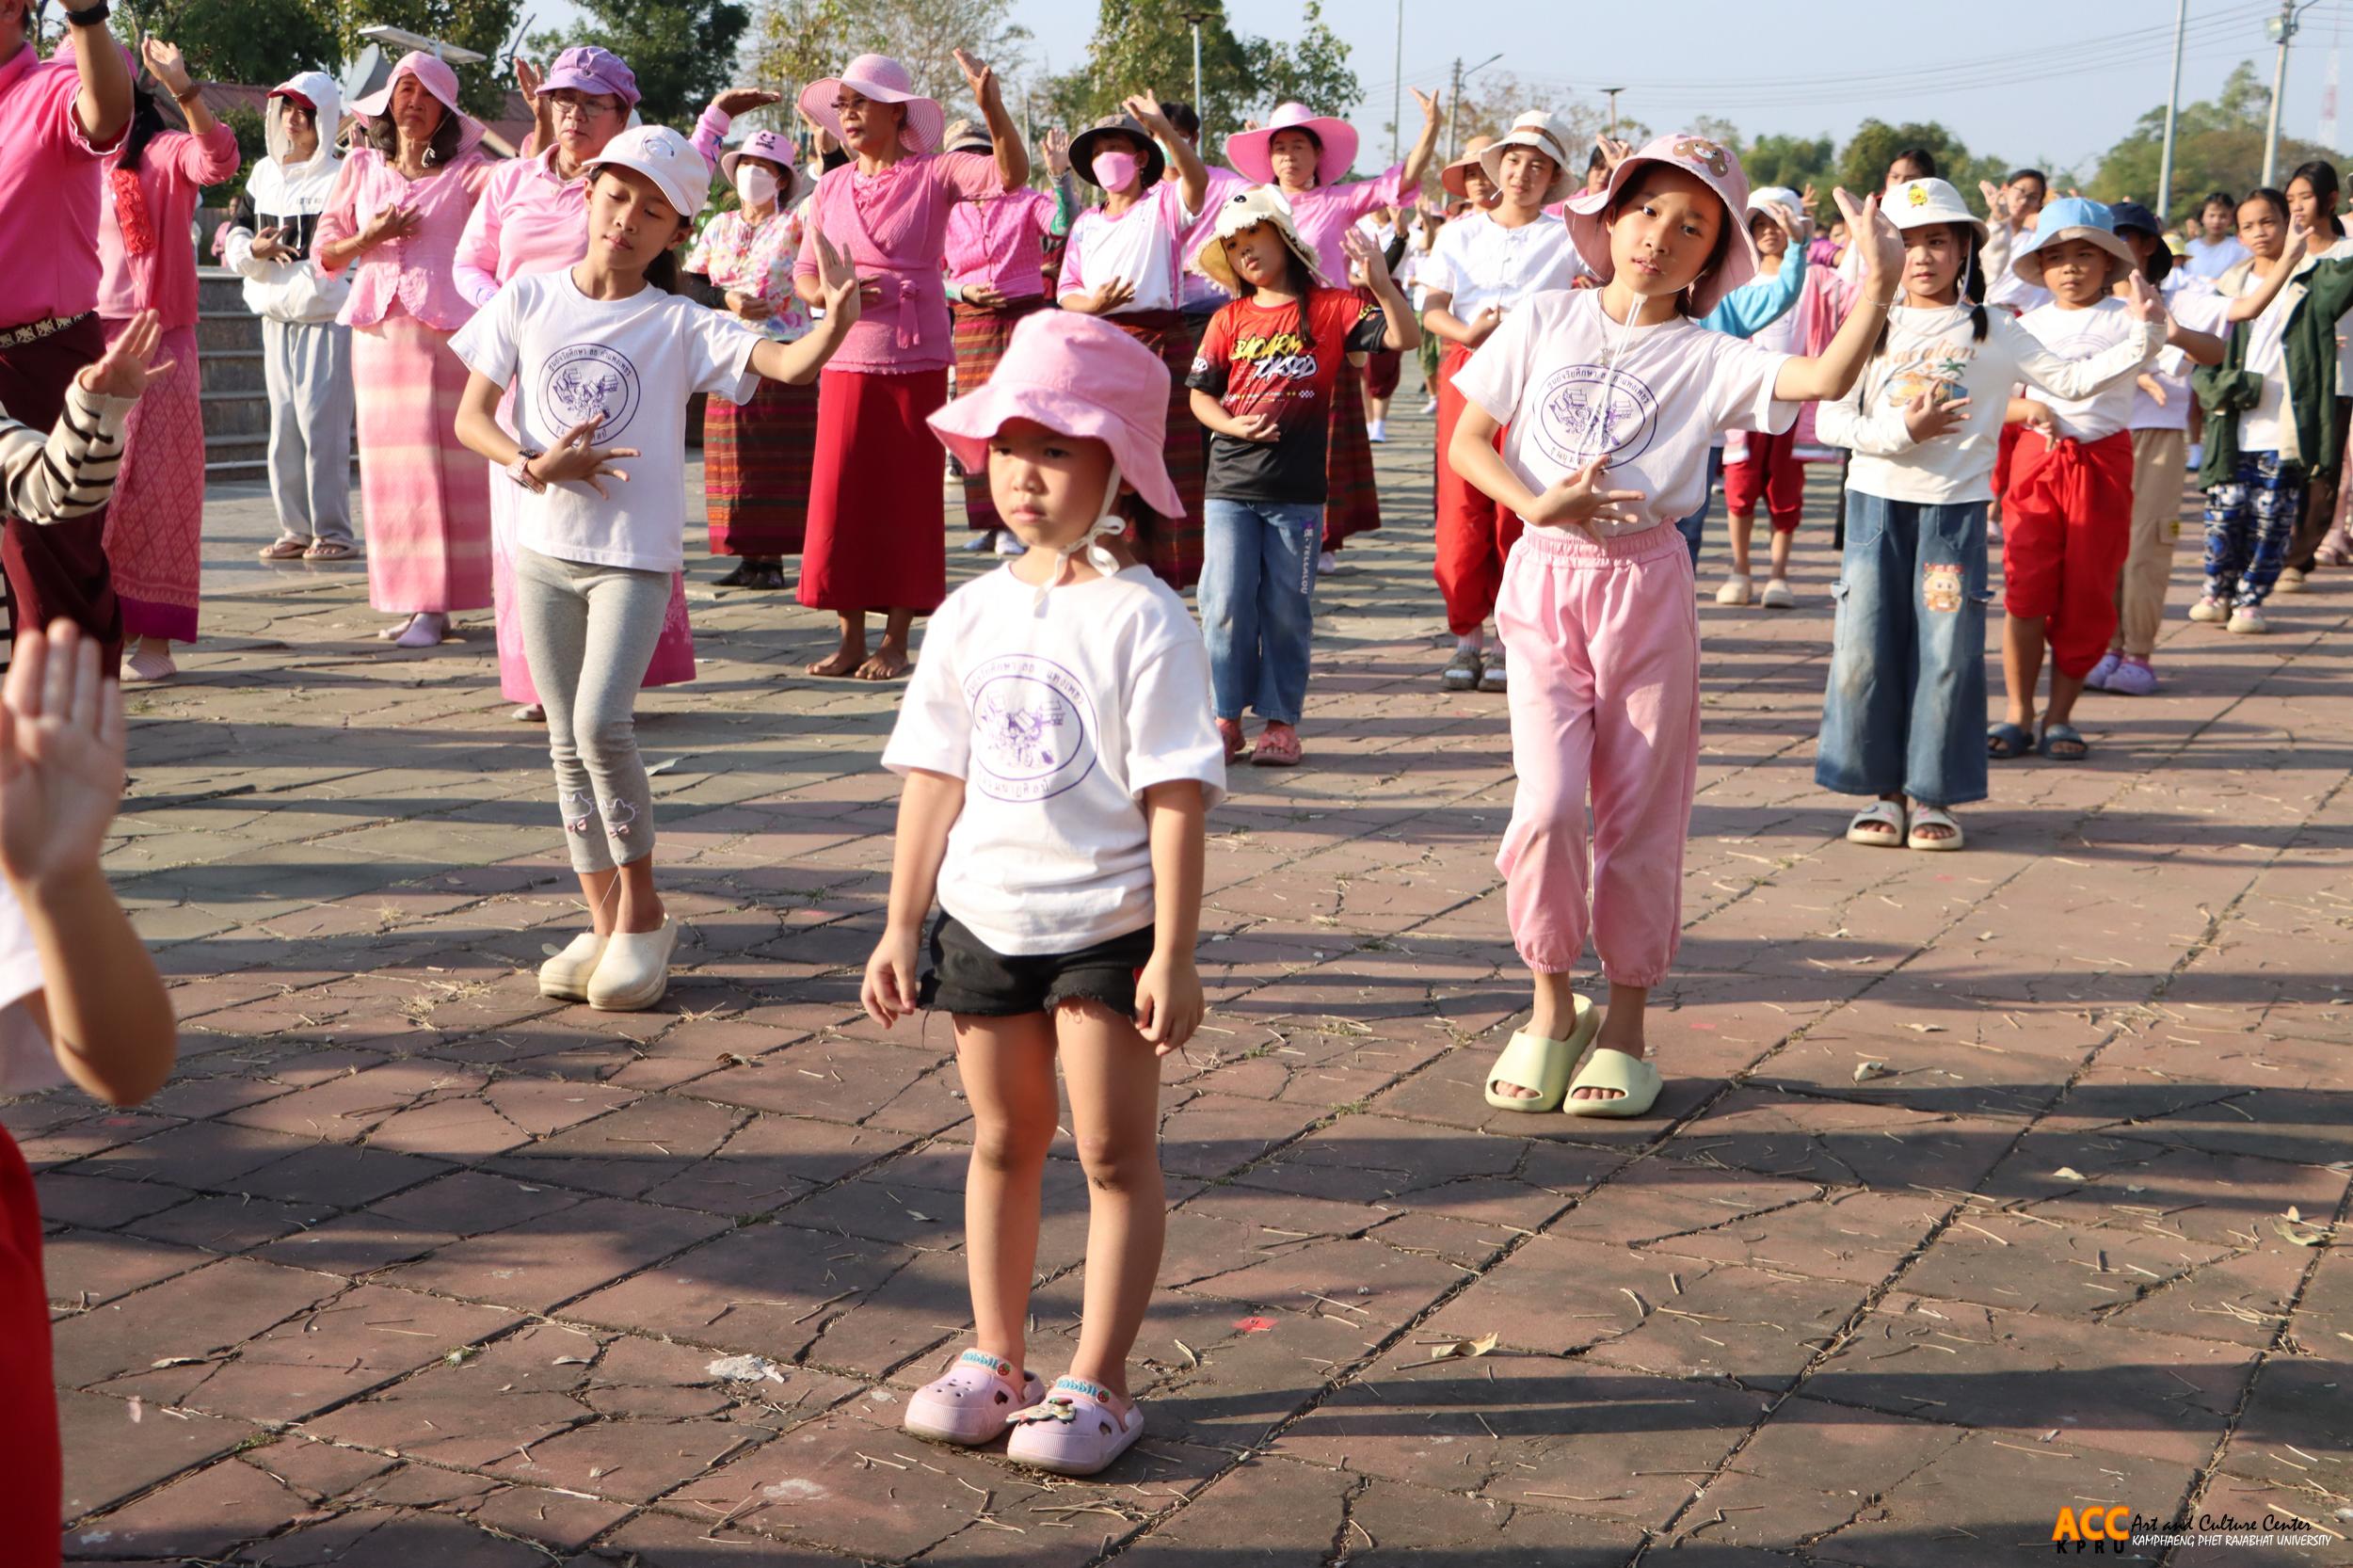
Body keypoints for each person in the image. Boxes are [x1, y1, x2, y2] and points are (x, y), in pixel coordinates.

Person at [1446, 134, 1906, 1117]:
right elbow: (1468, 440)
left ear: (1714, 260)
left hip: (1648, 586)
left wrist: (1878, 281)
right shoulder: (1539, 318)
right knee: (1546, 805)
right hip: (1542, 583)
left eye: (1691, 225)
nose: (1661, 235)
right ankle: (1546, 1004)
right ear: (1609, 219)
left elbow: (1819, 382)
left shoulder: (1711, 356)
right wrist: (1534, 507)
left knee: (1641, 815)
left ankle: (1625, 1027)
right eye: (1647, 209)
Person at [863, 311, 1221, 1480]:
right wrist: (900, 920)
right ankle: (994, 1356)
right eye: (1012, 443)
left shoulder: (1144, 615)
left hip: (1107, 925)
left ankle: (1100, 1381)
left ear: (1118, 468)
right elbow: (933, 776)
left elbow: (1176, 794)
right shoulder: (968, 613)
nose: (1028, 471)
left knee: (1113, 1152)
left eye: (1060, 447)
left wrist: (1173, 947)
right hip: (984, 916)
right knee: (1003, 1140)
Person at [452, 127, 862, 1011]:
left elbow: (786, 363)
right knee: (564, 744)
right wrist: (531, 465)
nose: (627, 219)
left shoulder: (679, 322)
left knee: (602, 727)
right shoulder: (526, 299)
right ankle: (602, 926)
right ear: (588, 193)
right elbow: (472, 419)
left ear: (675, 231)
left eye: (652, 210)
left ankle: (645, 917)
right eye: (616, 196)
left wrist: (834, 321)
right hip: (542, 551)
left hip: (631, 564)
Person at [1815, 180, 2166, 852]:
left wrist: (2145, 337)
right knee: (1865, 652)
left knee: (1945, 655)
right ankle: (1882, 794)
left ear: (1965, 250)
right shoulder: (1870, 325)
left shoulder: (1996, 329)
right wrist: (1900, 435)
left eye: (1938, 241)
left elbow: (2072, 380)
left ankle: (1932, 795)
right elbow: (1831, 416)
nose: (1922, 256)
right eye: (1906, 242)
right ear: (1883, 249)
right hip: (1875, 512)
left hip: (1954, 517)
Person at [454, 48, 733, 717]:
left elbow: (683, 187)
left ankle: (611, 683)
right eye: (562, 100)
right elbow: (468, 264)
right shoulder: (510, 180)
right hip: (525, 380)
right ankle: (543, 683)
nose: (573, 114)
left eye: (593, 102)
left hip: (620, 381)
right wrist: (512, 315)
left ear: (624, 113)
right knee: (528, 524)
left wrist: (716, 122)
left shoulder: (639, 188)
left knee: (620, 517)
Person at [792, 50, 1029, 680]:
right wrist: (832, 297)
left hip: (914, 354)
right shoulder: (833, 184)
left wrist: (992, 108)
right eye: (841, 104)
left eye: (858, 102)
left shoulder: (936, 173)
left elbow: (1010, 176)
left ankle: (895, 640)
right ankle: (848, 637)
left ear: (896, 112)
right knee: (840, 494)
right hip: (843, 354)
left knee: (905, 497)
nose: (847, 114)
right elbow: (807, 277)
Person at [1188, 187, 1417, 767]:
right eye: (1233, 247)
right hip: (1230, 489)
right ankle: (1225, 717)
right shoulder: (1227, 318)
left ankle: (1282, 723)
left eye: (1252, 239)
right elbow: (1200, 398)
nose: (1245, 254)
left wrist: (1382, 285)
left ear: (1283, 238)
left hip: (1298, 493)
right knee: (1223, 602)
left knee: (1288, 606)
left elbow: (1405, 338)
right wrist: (1234, 428)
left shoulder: (1335, 308)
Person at [1993, 199, 2221, 763]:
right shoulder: (2022, 326)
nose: (2071, 267)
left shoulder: (2129, 320)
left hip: (2104, 465)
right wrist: (2026, 414)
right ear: (2039, 267)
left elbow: (2212, 352)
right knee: (2025, 594)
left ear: (2110, 261)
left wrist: (2167, 328)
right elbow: (1990, 401)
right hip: (2037, 466)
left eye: (2084, 254)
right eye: (2057, 256)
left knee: (2088, 597)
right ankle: (2018, 715)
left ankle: (2060, 718)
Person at [313, 51, 495, 650]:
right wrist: (372, 236)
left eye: (425, 93)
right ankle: (415, 600)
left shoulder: (472, 171)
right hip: (377, 340)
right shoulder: (362, 165)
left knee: (448, 471)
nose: (411, 102)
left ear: (446, 108)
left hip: (447, 341)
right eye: (403, 91)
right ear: (388, 100)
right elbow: (327, 250)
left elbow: (525, 193)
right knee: (393, 475)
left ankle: (442, 603)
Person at [1223, 92, 1443, 570]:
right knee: (1264, 439)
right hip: (1263, 339)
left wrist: (1431, 128)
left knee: (1321, 443)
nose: (1289, 156)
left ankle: (1319, 538)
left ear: (1318, 155)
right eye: (1280, 147)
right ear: (1269, 157)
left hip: (1326, 335)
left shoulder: (1340, 200)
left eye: (1299, 146)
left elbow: (1400, 181)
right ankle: (1265, 531)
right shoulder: (1250, 204)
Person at [1418, 112, 1588, 693]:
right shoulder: (1458, 233)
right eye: (1514, 160)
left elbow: (1595, 293)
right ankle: (1466, 634)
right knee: (1463, 502)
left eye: (1538, 165)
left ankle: (1513, 638)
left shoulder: (1566, 237)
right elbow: (1432, 307)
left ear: (1553, 178)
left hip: (1537, 373)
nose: (1522, 173)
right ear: (1497, 167)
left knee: (1518, 500)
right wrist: (1463, 332)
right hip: (1468, 367)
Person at [93, 37, 239, 682]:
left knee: (158, 495)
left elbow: (217, 160)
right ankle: (95, 632)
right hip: (80, 343)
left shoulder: (161, 150)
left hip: (160, 343)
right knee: (84, 495)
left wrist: (185, 88)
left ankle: (155, 642)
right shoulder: (62, 155)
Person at [0, 0, 134, 666]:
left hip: (42, 365)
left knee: (51, 569)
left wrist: (85, 16)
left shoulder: (51, 88)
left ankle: (66, 752)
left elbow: (107, 116)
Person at [1057, 99, 1211, 589]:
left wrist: (1163, 128)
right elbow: (1066, 293)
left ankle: (1170, 570)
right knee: (1107, 465)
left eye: (1116, 147)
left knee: (1168, 462)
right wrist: (1094, 303)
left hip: (1162, 345)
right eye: (1098, 150)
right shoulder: (1085, 224)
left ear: (1140, 157)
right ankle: (1110, 567)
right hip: (1102, 348)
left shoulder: (1164, 205)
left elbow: (1197, 182)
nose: (1106, 158)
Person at [2189, 190, 2353, 632]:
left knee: (2272, 522)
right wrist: (2227, 388)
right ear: (2238, 235)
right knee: (2224, 517)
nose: (2259, 232)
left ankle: (2249, 602)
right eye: (2249, 226)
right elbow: (2204, 364)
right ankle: (2215, 591)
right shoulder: (2226, 287)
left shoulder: (2315, 281)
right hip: (2232, 427)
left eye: (2268, 222)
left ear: (2288, 224)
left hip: (2285, 428)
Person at [2086, 202, 2230, 696]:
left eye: (2122, 238)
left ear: (2148, 244)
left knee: (2146, 545)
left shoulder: (2185, 296)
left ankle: (2138, 654)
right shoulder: (2089, 303)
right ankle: (2108, 645)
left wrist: (2170, 331)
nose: (2110, 250)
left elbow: (2213, 347)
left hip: (2158, 436)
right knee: (2103, 548)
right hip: (2100, 435)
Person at [226, 72, 357, 567]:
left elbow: (360, 239)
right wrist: (253, 250)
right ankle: (295, 529)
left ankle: (334, 531)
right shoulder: (264, 174)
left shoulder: (343, 174)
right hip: (275, 316)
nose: (295, 119)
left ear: (324, 117)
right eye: (288, 108)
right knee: (284, 428)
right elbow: (239, 231)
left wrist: (336, 285)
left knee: (322, 426)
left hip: (326, 317)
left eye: (306, 110)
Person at [688, 127, 823, 584]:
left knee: (777, 458)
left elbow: (827, 198)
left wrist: (827, 153)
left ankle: (775, 561)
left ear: (783, 179)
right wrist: (727, 299)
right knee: (734, 460)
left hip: (784, 354)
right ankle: (748, 558)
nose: (753, 174)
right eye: (746, 164)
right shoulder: (718, 227)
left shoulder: (796, 224)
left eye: (764, 168)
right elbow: (691, 283)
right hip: (727, 355)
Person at [944, 121, 1065, 556]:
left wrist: (1059, 176)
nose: (977, 164)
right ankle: (990, 523)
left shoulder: (1026, 199)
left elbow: (1062, 224)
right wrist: (963, 291)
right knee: (979, 424)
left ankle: (1021, 523)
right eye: (966, 157)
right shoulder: (947, 210)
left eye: (984, 153)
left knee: (1021, 421)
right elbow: (933, 274)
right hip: (973, 324)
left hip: (1024, 321)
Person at [1717, 184, 1821, 608]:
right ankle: (1740, 570)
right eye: (1759, 223)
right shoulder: (1733, 281)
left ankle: (1778, 574)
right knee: (1740, 488)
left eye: (1778, 223)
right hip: (1745, 402)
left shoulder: (1814, 279)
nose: (1769, 231)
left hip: (1793, 404)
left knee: (1785, 490)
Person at [2277, 160, 2353, 583]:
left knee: (2323, 468)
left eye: (2305, 197)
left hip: (2339, 377)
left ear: (2330, 200)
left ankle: (2298, 558)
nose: (2298, 207)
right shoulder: (2287, 255)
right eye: (2290, 200)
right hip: (2285, 377)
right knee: (2288, 463)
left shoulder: (2348, 256)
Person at [2183, 191, 2249, 280]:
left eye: (2223, 216)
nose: (2216, 221)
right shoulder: (2189, 248)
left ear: (2231, 219)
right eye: (2211, 216)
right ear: (2202, 218)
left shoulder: (2240, 248)